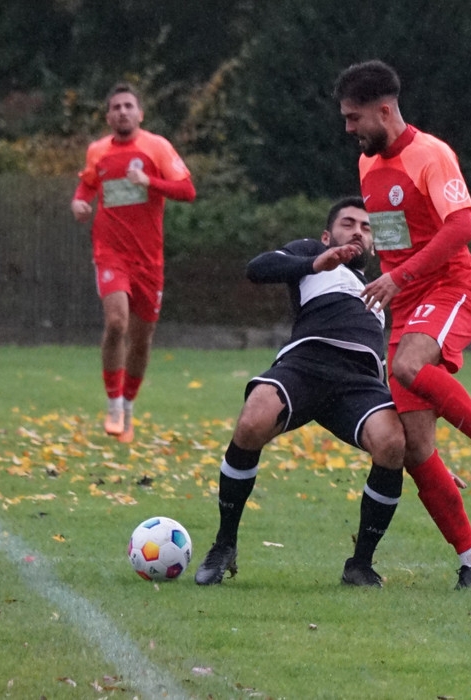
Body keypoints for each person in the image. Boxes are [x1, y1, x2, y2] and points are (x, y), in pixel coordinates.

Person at [333, 59, 471, 588]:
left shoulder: (432, 154)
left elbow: (460, 228)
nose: (349, 128)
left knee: (407, 366)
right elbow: (398, 237)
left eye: (355, 118)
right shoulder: (367, 165)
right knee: (416, 448)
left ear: (384, 110)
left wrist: (398, 278)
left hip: (449, 290)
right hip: (406, 305)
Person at [194, 196, 406, 588]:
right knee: (253, 419)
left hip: (359, 380)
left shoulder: (382, 285)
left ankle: (360, 564)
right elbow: (257, 269)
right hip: (305, 364)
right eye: (347, 223)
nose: (357, 232)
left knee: (393, 443)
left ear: (374, 244)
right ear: (327, 235)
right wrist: (314, 263)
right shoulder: (310, 253)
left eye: (366, 227)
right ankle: (224, 545)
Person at [71, 82, 196, 443]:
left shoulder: (157, 147)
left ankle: (127, 405)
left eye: (128, 106)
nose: (122, 112)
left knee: (141, 340)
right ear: (108, 116)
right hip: (110, 251)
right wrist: (79, 203)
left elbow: (187, 190)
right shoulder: (98, 150)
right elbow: (87, 185)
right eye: (116, 107)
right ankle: (112, 403)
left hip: (149, 259)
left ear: (140, 114)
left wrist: (149, 181)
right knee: (116, 323)